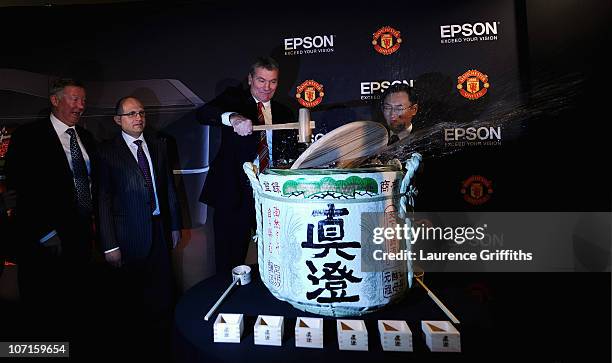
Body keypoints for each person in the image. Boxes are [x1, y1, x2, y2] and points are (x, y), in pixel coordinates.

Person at [4, 78, 98, 340]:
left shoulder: (87, 138)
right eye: (74, 99)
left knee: (74, 308)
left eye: (84, 100)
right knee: (42, 315)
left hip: (80, 239)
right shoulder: (28, 136)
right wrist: (45, 233)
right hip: (44, 243)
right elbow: (19, 191)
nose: (81, 106)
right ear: (55, 100)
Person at [97, 96, 182, 358]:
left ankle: (165, 348)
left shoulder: (157, 145)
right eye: (131, 113)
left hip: (159, 230)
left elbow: (168, 187)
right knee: (133, 301)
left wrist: (175, 226)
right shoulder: (106, 151)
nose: (138, 118)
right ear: (117, 120)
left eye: (141, 113)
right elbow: (102, 200)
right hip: (127, 237)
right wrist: (109, 244)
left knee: (164, 293)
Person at [197, 56, 298, 273]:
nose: (267, 87)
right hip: (234, 193)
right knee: (229, 260)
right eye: (261, 80)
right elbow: (203, 113)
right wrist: (233, 118)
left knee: (277, 255)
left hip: (271, 195)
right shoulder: (234, 100)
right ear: (250, 79)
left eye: (272, 82)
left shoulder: (285, 111)